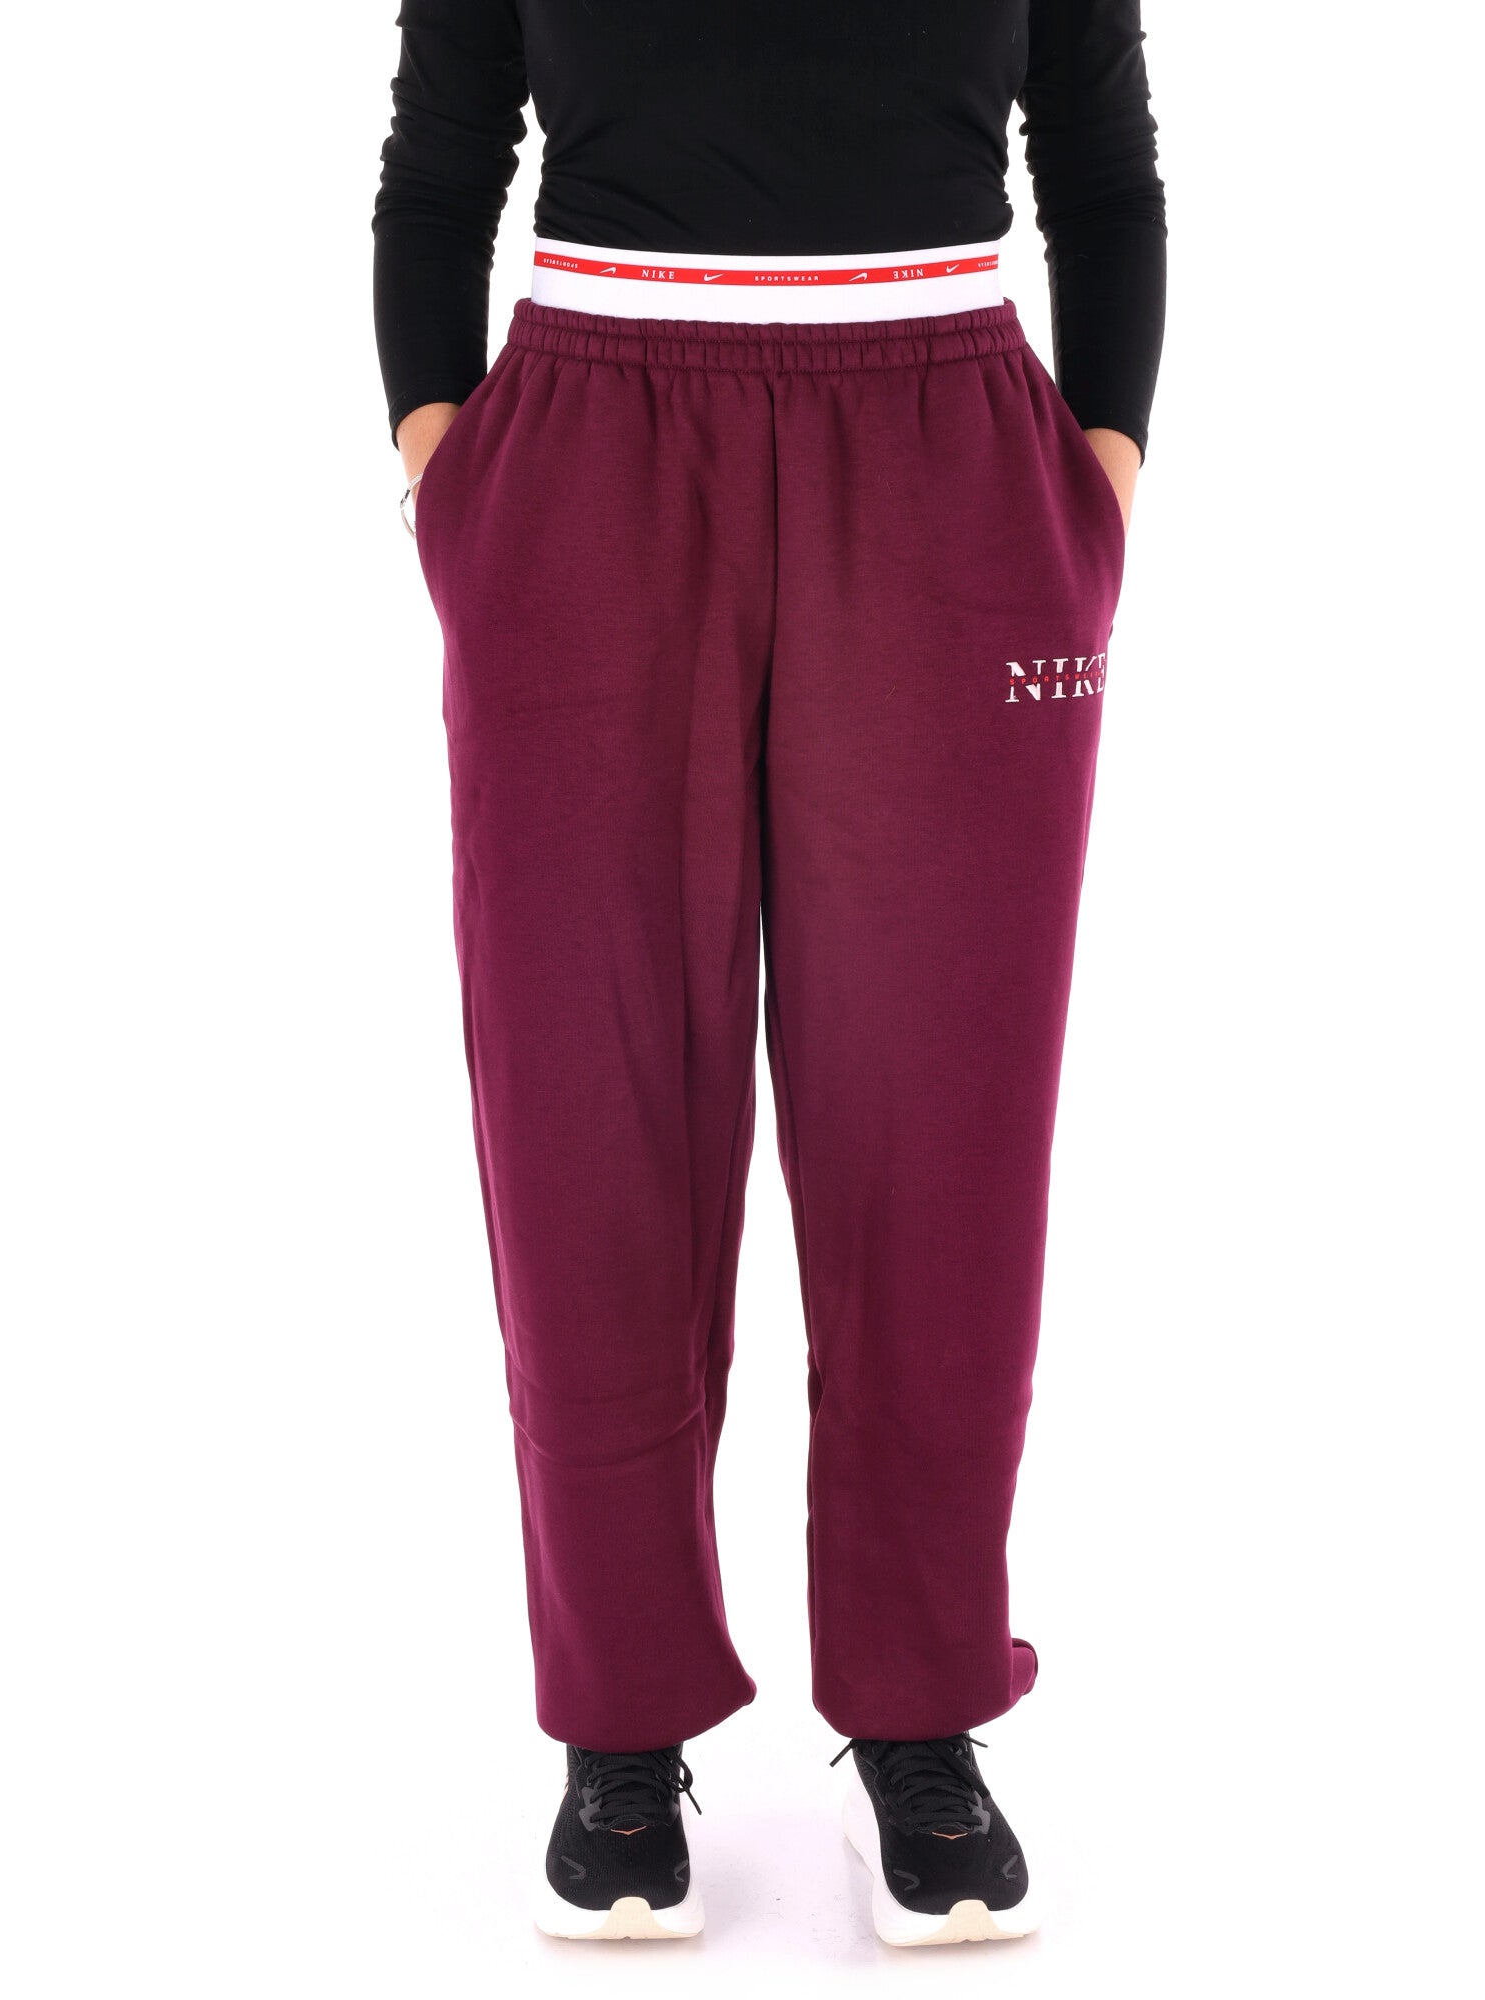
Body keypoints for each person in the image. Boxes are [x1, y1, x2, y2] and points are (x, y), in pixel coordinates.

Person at [373, 0, 1165, 1949]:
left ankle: (921, 1716)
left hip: (951, 460)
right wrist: (447, 483)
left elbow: (1103, 159)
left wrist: (1097, 489)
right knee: (587, 1101)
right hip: (588, 451)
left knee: (941, 1114)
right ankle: (619, 1731)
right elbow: (441, 158)